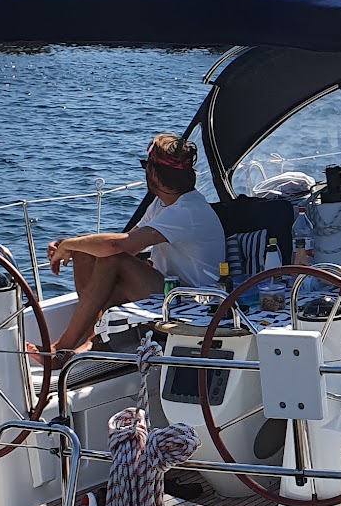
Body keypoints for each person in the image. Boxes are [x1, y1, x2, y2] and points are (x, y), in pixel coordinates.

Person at [42, 134, 224, 357]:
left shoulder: (187, 211)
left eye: (146, 166)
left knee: (111, 257)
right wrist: (74, 245)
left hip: (193, 300)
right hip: (170, 290)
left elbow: (119, 248)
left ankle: (61, 349)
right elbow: (129, 241)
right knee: (86, 251)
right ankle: (94, 339)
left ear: (154, 173)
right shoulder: (162, 204)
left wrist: (69, 244)